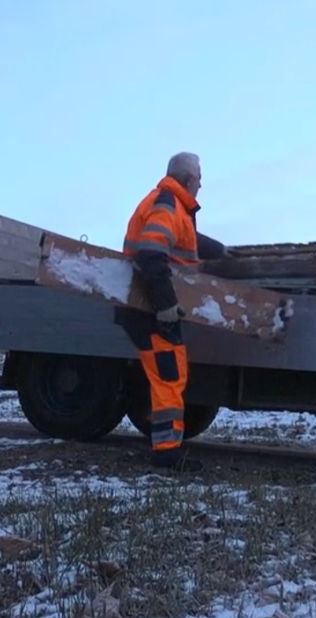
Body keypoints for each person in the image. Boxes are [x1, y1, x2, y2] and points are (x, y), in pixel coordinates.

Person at [120, 152, 227, 472]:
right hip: (150, 309)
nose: (201, 184)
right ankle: (166, 455)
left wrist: (221, 251)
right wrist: (166, 306)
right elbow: (152, 255)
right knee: (168, 379)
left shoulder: (173, 207)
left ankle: (165, 447)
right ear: (188, 179)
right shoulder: (167, 205)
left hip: (150, 308)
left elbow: (186, 240)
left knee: (169, 377)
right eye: (199, 177)